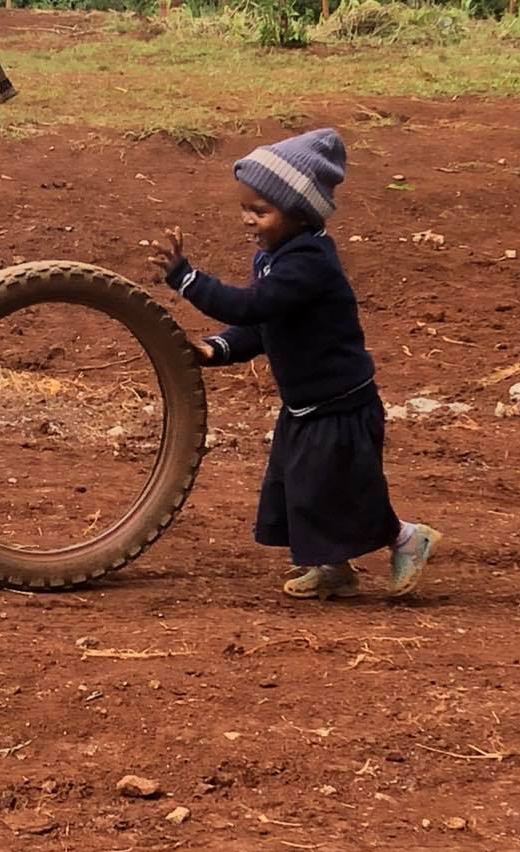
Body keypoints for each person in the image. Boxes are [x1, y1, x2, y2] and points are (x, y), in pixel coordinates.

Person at [150, 129, 441, 599]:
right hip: (306, 405)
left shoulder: (309, 262)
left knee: (349, 492)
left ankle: (407, 538)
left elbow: (249, 307)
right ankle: (334, 569)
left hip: (340, 406)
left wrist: (186, 279)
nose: (248, 220)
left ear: (301, 212)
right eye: (245, 208)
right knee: (304, 492)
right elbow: (261, 326)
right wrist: (218, 349)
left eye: (260, 211)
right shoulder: (273, 258)